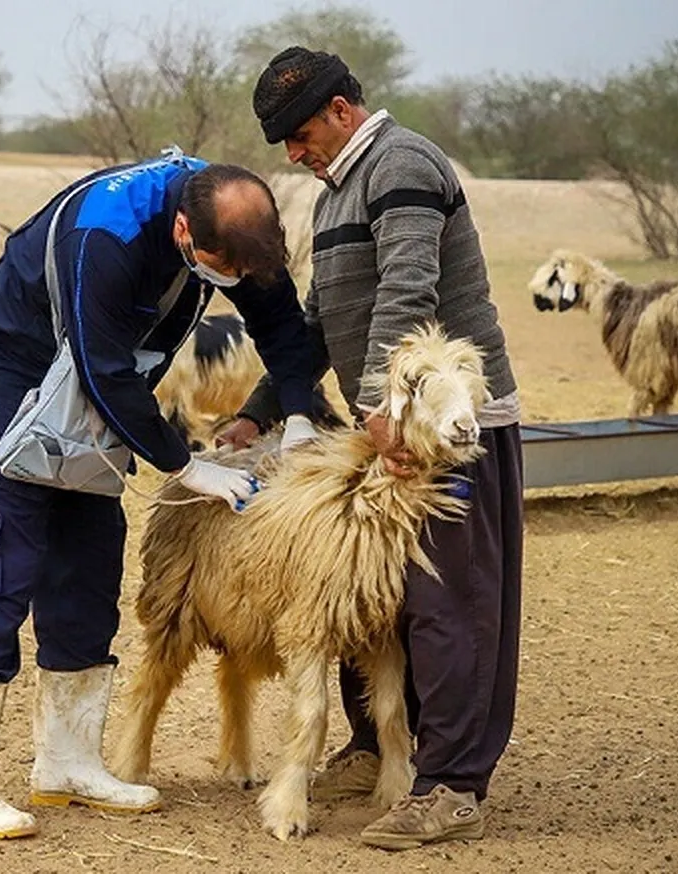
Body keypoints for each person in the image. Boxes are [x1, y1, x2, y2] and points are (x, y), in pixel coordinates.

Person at [0, 153, 321, 839]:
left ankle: (67, 762)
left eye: (240, 272)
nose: (230, 283)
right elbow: (102, 364)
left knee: (87, 563)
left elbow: (283, 324)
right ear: (180, 234)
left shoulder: (235, 229)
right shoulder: (105, 233)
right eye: (219, 268)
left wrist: (299, 417)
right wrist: (187, 465)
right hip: (4, 379)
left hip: (89, 395)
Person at [219, 47, 524, 851]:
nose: (291, 152)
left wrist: (381, 409)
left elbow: (409, 290)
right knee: (361, 597)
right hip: (384, 431)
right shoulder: (340, 191)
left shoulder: (403, 166)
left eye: (298, 132)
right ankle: (375, 749)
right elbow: (322, 320)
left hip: (443, 434)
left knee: (446, 605)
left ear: (342, 111)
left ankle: (452, 783)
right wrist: (257, 411)